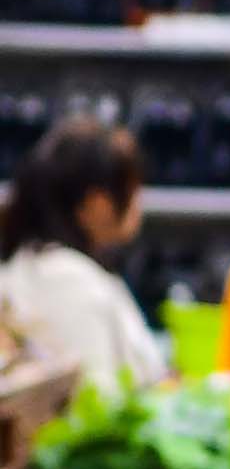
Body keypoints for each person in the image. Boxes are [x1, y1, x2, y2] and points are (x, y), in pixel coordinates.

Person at [0, 117, 165, 392]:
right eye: (134, 188)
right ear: (98, 203)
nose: (140, 202)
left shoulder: (42, 267)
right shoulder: (66, 281)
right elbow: (96, 401)